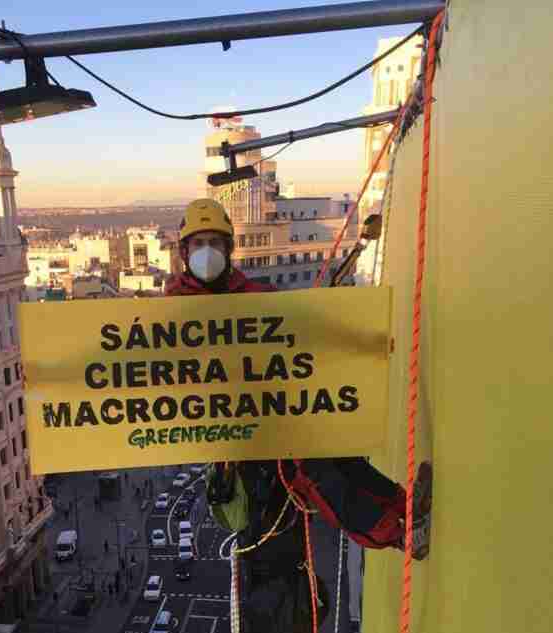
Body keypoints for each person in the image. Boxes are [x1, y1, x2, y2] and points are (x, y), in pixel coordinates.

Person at [164, 199, 433, 559]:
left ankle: (405, 504)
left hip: (282, 404)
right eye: (199, 243)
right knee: (316, 474)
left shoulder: (255, 297)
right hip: (242, 432)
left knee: (342, 457)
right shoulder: (166, 313)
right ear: (185, 251)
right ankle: (395, 535)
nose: (207, 252)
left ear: (228, 249)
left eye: (215, 242)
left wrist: (364, 339)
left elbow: (307, 325)